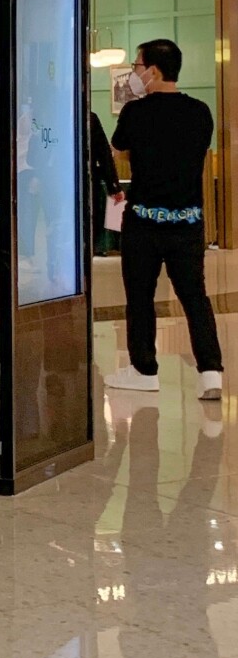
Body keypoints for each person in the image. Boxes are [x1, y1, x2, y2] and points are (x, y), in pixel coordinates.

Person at [103, 38, 223, 401]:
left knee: (140, 296)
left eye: (138, 66)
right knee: (195, 297)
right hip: (187, 222)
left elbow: (120, 152)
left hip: (144, 222)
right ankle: (211, 371)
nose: (135, 73)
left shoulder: (135, 112)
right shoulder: (200, 112)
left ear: (153, 71)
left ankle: (144, 369)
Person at [89, 109, 122, 257]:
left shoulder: (53, 116)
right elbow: (104, 154)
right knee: (90, 222)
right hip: (89, 179)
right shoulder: (90, 118)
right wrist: (113, 186)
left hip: (62, 180)